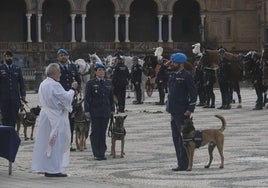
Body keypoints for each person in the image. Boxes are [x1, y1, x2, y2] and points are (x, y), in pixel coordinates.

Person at [32, 63, 78, 177]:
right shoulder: (54, 84)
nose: (61, 75)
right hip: (55, 116)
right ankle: (54, 169)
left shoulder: (43, 83)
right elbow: (65, 98)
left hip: (46, 115)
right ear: (54, 73)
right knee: (56, 143)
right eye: (59, 72)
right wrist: (72, 89)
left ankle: (46, 166)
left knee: (46, 141)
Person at [164, 52, 197, 171]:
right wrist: (164, 65)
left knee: (183, 139)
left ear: (180, 63)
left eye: (173, 62)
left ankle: (184, 164)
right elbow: (159, 77)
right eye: (171, 62)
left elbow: (193, 93)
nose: (171, 64)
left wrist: (190, 109)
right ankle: (181, 162)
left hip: (182, 111)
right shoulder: (172, 74)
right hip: (173, 110)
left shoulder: (186, 76)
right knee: (175, 137)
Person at [84, 62, 115, 160]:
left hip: (105, 111)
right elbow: (87, 98)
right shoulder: (91, 83)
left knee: (103, 132)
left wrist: (112, 109)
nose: (102, 72)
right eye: (99, 70)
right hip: (95, 111)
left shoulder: (108, 82)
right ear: (95, 72)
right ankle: (96, 152)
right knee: (95, 132)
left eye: (103, 70)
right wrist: (87, 110)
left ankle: (102, 152)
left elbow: (111, 98)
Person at [57, 48, 81, 151]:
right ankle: (59, 143)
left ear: (68, 56)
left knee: (71, 121)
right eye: (61, 55)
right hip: (61, 99)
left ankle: (69, 143)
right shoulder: (56, 67)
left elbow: (78, 79)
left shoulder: (73, 67)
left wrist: (77, 90)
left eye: (64, 55)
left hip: (71, 98)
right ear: (58, 57)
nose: (63, 57)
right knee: (60, 122)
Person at [0, 50, 26, 127]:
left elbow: (21, 83)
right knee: (5, 118)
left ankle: (12, 134)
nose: (9, 58)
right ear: (4, 57)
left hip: (15, 98)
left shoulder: (17, 68)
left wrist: (23, 94)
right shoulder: (1, 68)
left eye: (10, 56)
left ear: (12, 57)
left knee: (14, 117)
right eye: (7, 57)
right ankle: (6, 135)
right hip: (4, 98)